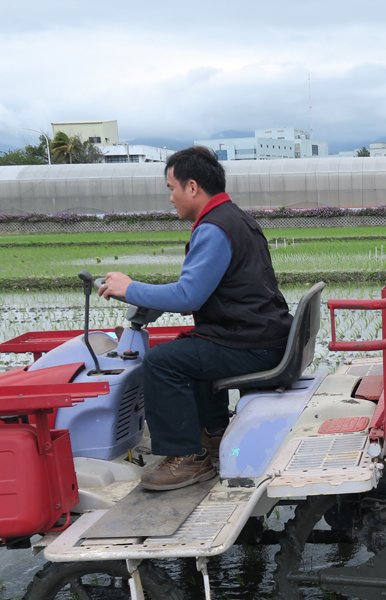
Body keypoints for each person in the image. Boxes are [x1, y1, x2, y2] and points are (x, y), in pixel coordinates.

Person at [99, 146, 292, 490]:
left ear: (192, 187)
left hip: (252, 343)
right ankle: (214, 436)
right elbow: (197, 293)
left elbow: (189, 295)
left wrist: (129, 289)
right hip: (261, 336)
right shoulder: (234, 218)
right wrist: (147, 294)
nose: (170, 198)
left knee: (161, 362)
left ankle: (188, 457)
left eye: (171, 189)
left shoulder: (214, 228)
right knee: (191, 348)